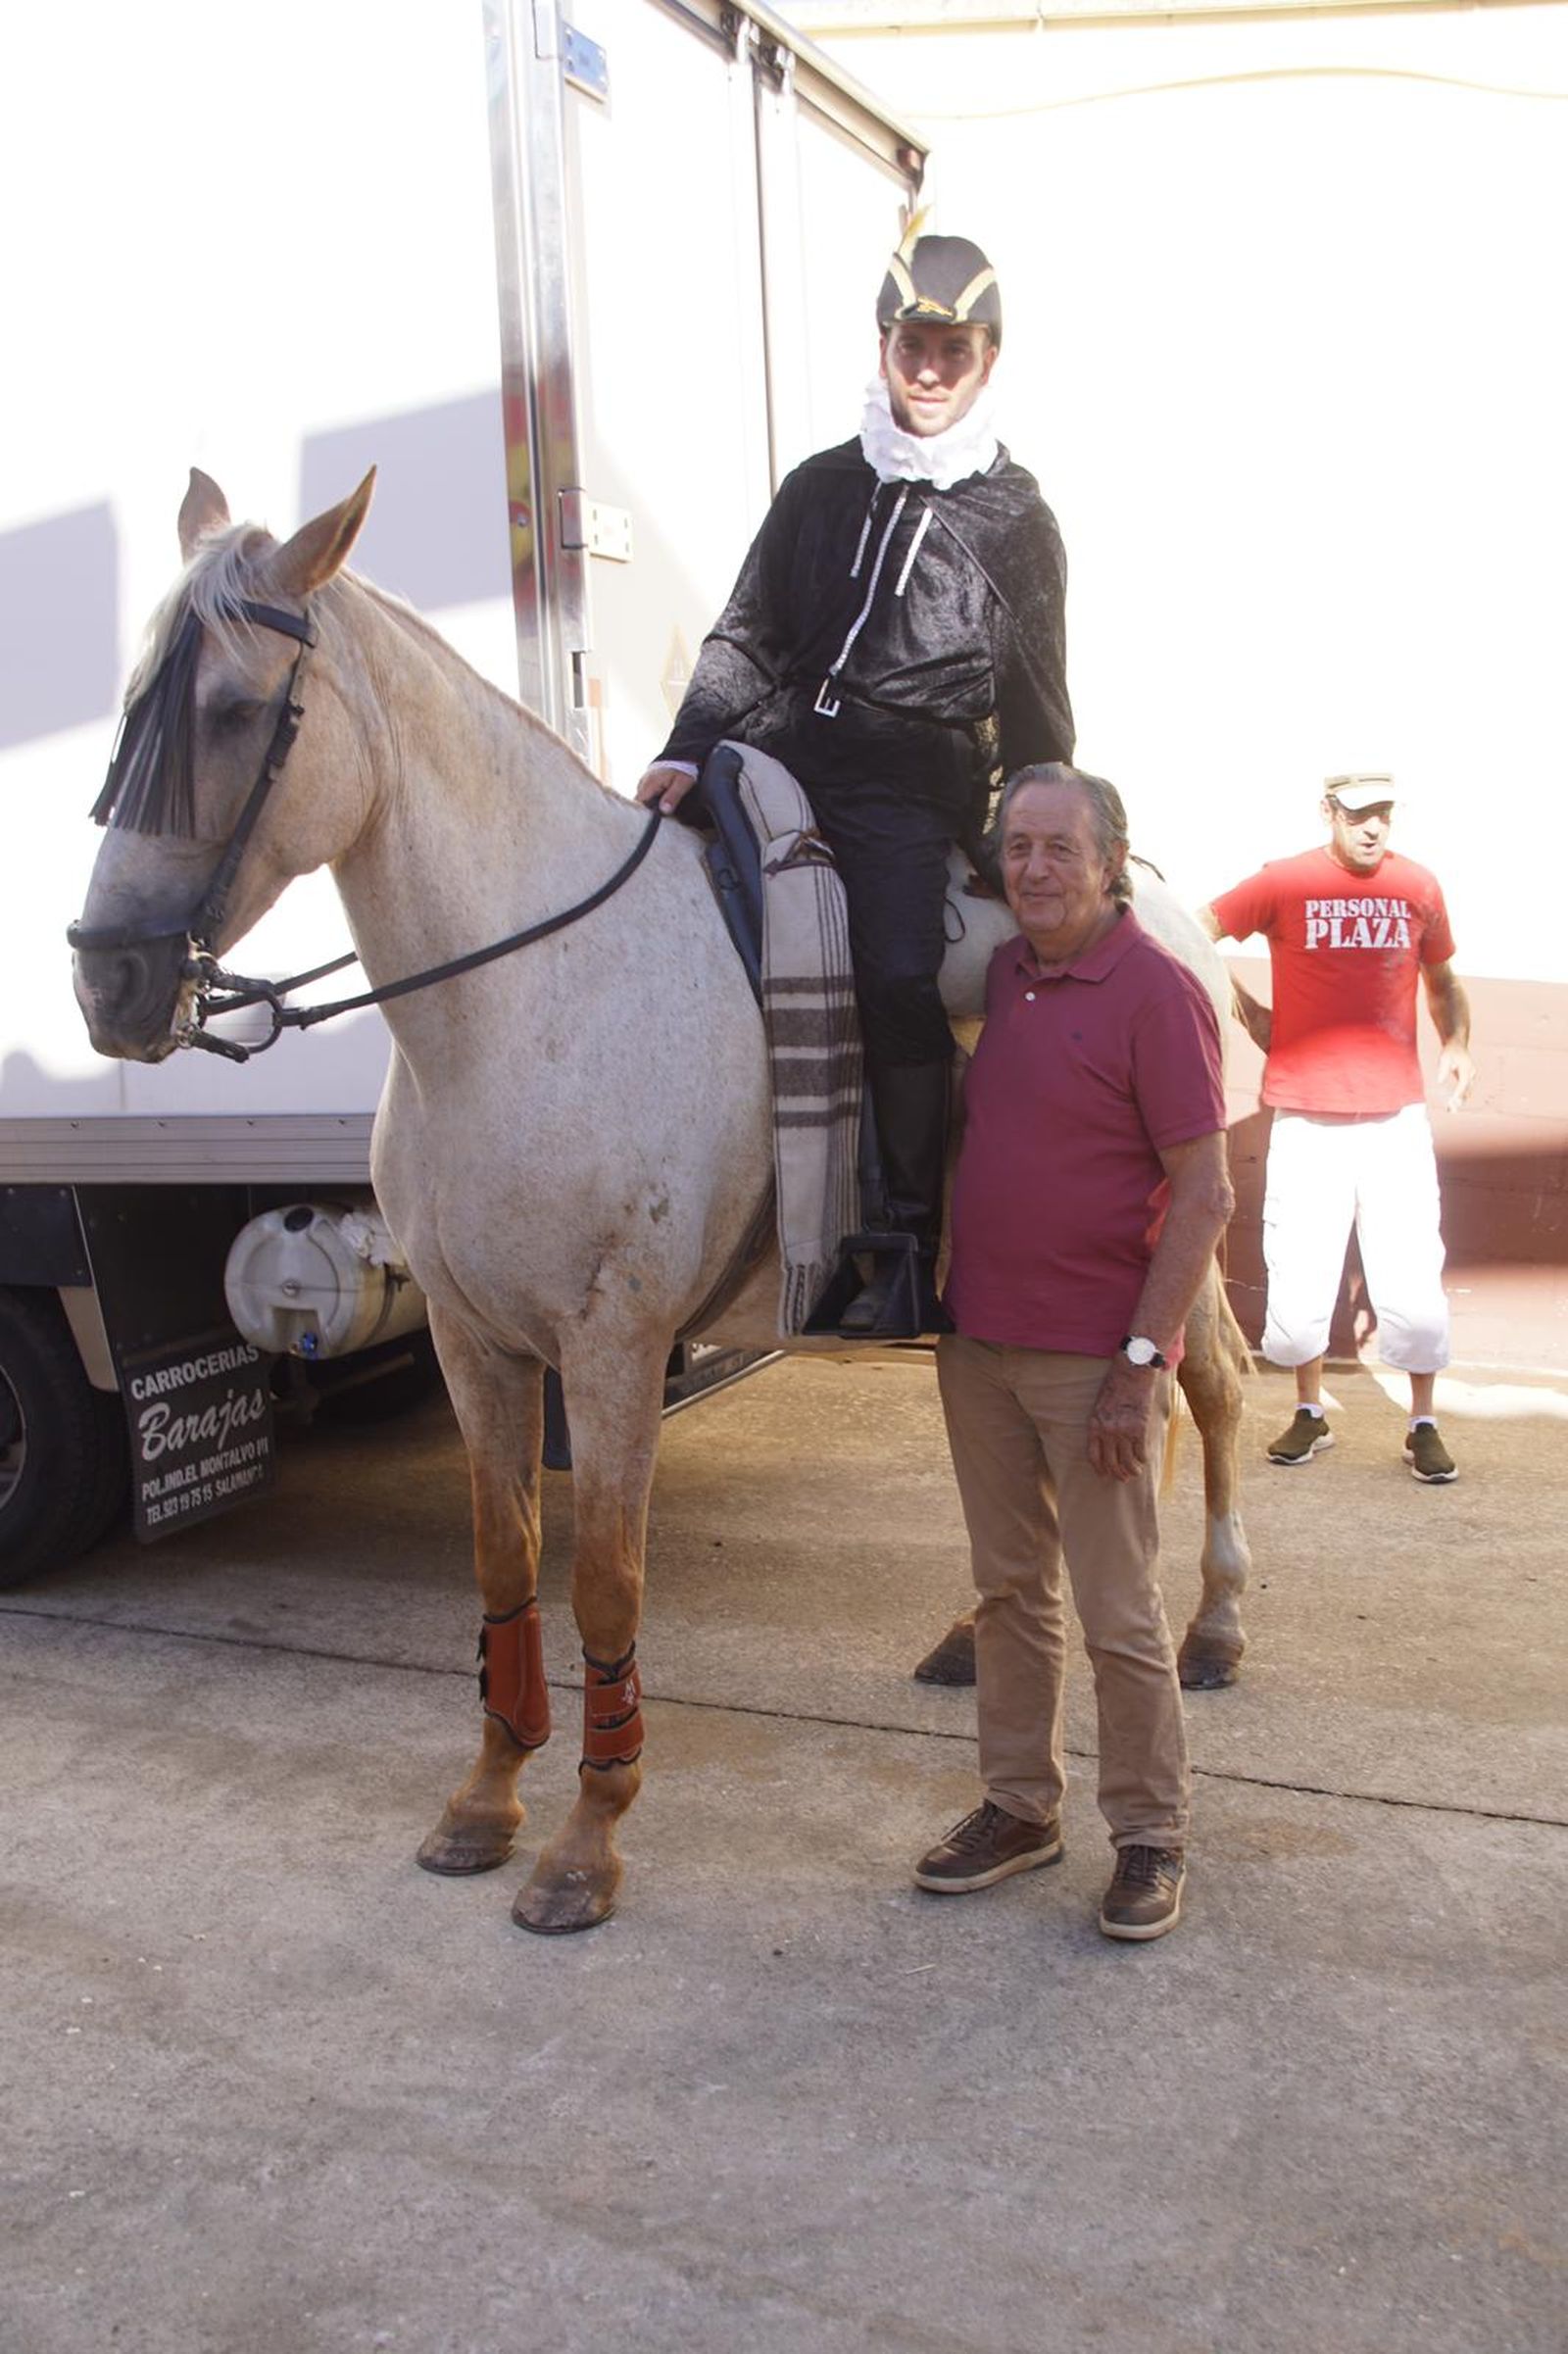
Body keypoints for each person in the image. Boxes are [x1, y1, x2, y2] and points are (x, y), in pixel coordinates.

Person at [636, 224, 1074, 1337]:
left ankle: (903, 1245)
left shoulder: (1016, 518)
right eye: (910, 346)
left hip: (907, 775)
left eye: (951, 350)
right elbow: (745, 636)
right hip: (780, 750)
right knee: (667, 915)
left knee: (890, 970)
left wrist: (1029, 827)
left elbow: (1034, 701)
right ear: (882, 348)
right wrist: (685, 749)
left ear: (986, 359)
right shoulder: (819, 485)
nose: (927, 370)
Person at [915, 764, 1232, 1943]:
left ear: (1109, 862)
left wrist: (1142, 1361)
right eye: (1019, 847)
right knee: (1008, 1593)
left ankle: (1149, 1832)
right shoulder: (1007, 974)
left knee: (1118, 1609)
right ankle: (1018, 1806)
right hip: (979, 1342)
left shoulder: (1155, 991)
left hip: (1095, 1358)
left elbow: (1205, 1190)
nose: (1035, 868)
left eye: (1060, 847)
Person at [1199, 774, 1475, 1483]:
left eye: (1383, 813)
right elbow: (1198, 931)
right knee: (1301, 1265)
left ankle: (1422, 1423)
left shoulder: (1417, 885)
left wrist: (1457, 1044)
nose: (1373, 827)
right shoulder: (1284, 882)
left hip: (1395, 1115)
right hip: (1306, 1112)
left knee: (1412, 1270)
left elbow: (1442, 979)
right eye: (1358, 814)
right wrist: (1246, 1011)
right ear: (1329, 813)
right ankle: (1310, 1412)